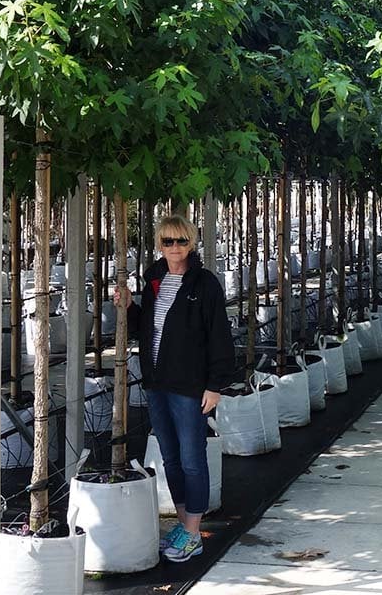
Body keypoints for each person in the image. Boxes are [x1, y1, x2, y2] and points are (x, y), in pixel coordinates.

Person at [116, 213, 234, 563]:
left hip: (189, 386)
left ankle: (194, 532)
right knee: (169, 456)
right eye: (168, 241)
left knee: (192, 458)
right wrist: (128, 305)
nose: (175, 248)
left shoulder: (204, 284)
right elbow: (146, 326)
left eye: (181, 241)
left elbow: (219, 336)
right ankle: (184, 526)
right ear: (159, 244)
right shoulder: (154, 277)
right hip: (157, 382)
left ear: (192, 243)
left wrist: (215, 385)